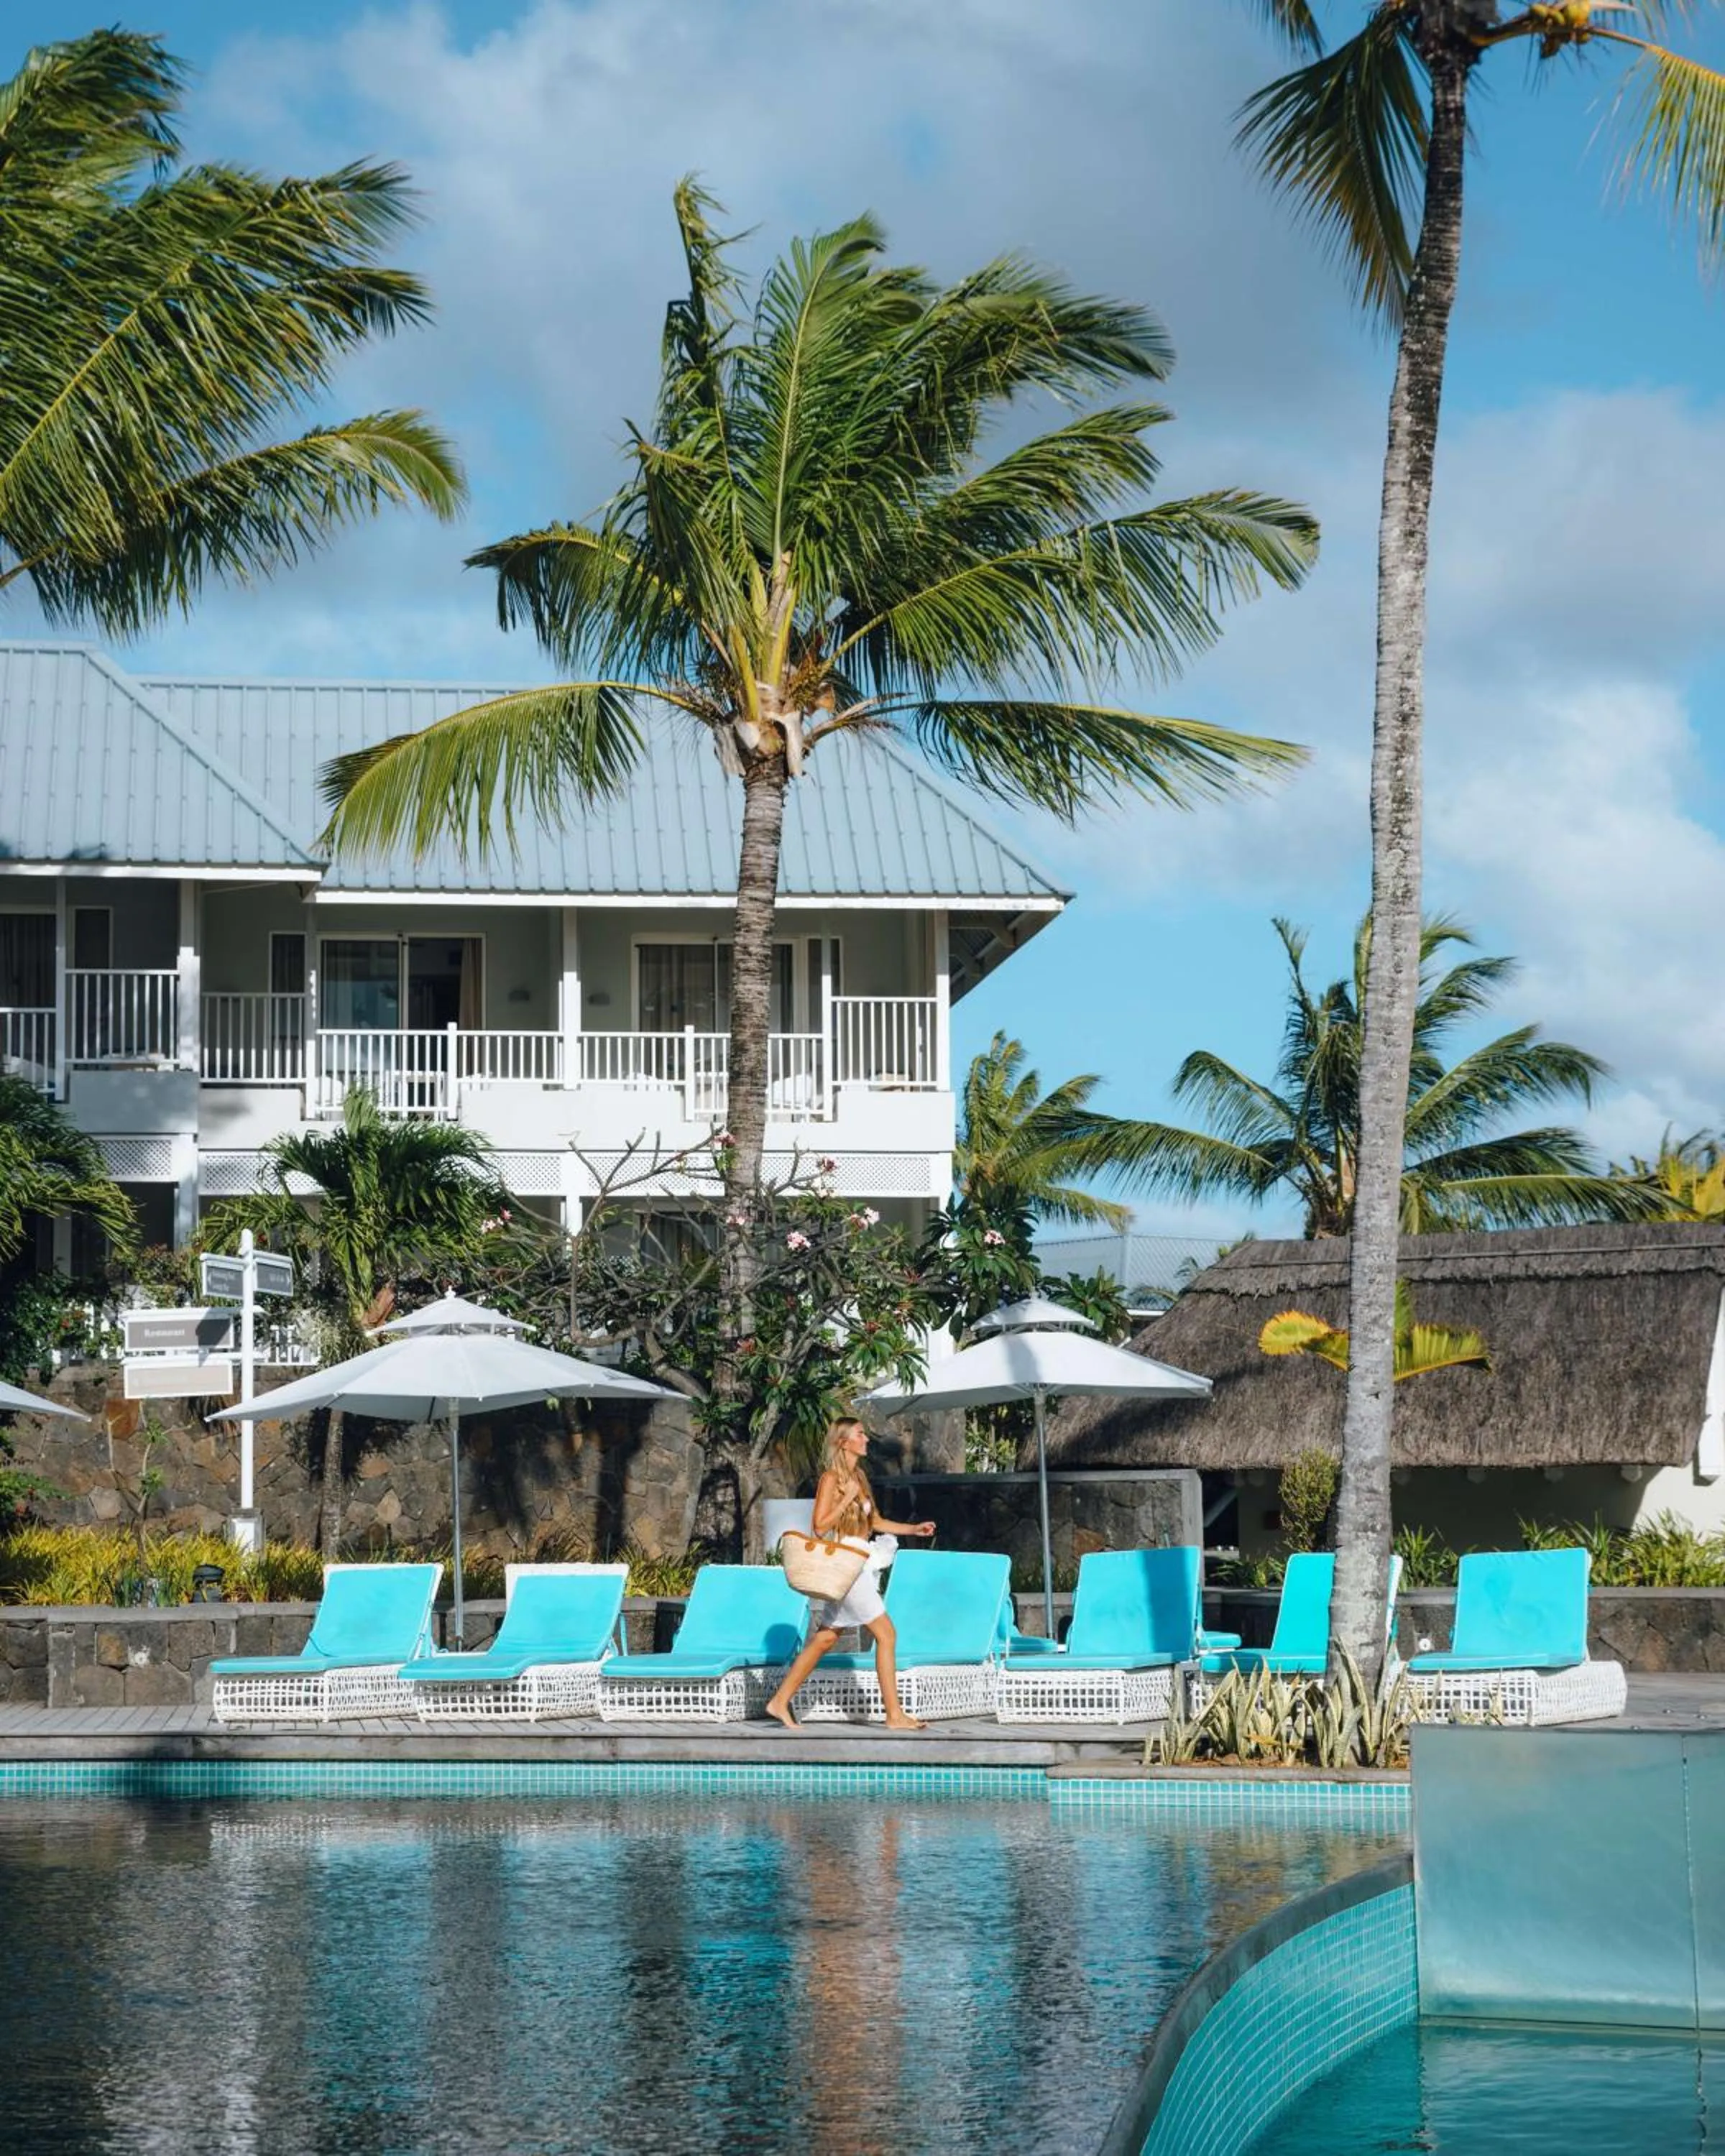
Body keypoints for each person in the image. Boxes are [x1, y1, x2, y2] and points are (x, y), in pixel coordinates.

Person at [765, 1416, 936, 1732]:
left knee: (825, 1639)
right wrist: (846, 1497)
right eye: (860, 1434)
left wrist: (914, 1529)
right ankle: (894, 1715)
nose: (866, 1439)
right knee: (887, 1634)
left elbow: (875, 1522)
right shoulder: (831, 1479)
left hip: (859, 1563)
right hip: (846, 1565)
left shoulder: (859, 1476)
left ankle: (779, 1701)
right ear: (843, 1442)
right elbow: (820, 1527)